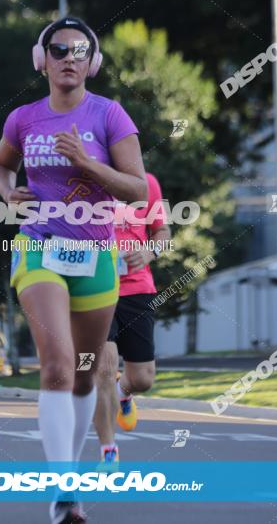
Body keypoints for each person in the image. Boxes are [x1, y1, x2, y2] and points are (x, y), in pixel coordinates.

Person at [0, 16, 147, 524]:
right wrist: (7, 191)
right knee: (57, 365)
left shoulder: (111, 115)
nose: (69, 58)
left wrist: (88, 163)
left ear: (93, 64)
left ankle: (70, 476)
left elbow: (138, 189)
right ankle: (64, 491)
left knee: (82, 377)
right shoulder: (24, 118)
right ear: (43, 60)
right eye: (59, 49)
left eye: (80, 51)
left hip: (96, 255)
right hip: (38, 247)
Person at [93, 173, 170, 470]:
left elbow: (163, 232)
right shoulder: (82, 182)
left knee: (143, 379)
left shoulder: (147, 182)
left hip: (137, 288)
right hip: (95, 286)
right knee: (104, 367)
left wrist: (150, 251)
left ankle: (124, 393)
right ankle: (108, 450)